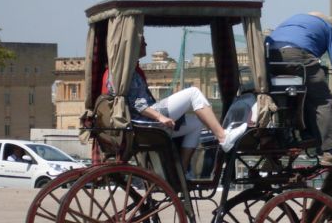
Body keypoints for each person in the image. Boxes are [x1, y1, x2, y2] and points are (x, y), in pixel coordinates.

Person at [102, 35, 246, 170]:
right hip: (146, 121)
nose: (145, 44)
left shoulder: (122, 70)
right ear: (132, 46)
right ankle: (223, 136)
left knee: (196, 123)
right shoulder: (124, 72)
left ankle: (181, 173)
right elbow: (137, 103)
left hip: (143, 119)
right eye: (142, 42)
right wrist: (160, 117)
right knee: (194, 93)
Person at [266, 12, 332, 167]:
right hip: (297, 55)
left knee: (289, 95)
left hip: (270, 56)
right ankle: (331, 152)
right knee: (322, 100)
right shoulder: (327, 27)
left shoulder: (293, 20)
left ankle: (283, 140)